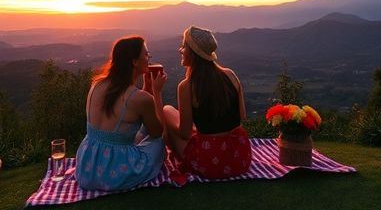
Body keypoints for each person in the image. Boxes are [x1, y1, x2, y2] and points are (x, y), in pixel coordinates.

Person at [75, 35, 168, 191]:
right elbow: (158, 132)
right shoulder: (141, 98)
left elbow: (127, 113)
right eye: (146, 54)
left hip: (87, 168)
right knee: (159, 144)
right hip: (114, 174)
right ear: (134, 61)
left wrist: (146, 88)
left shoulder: (97, 84)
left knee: (138, 131)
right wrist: (156, 93)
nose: (149, 57)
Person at [162, 26, 251, 178]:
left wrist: (157, 94)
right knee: (171, 113)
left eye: (184, 46)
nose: (180, 50)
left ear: (193, 53)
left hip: (209, 162)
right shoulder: (230, 75)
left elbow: (184, 134)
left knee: (166, 112)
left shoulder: (187, 86)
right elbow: (241, 116)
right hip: (239, 158)